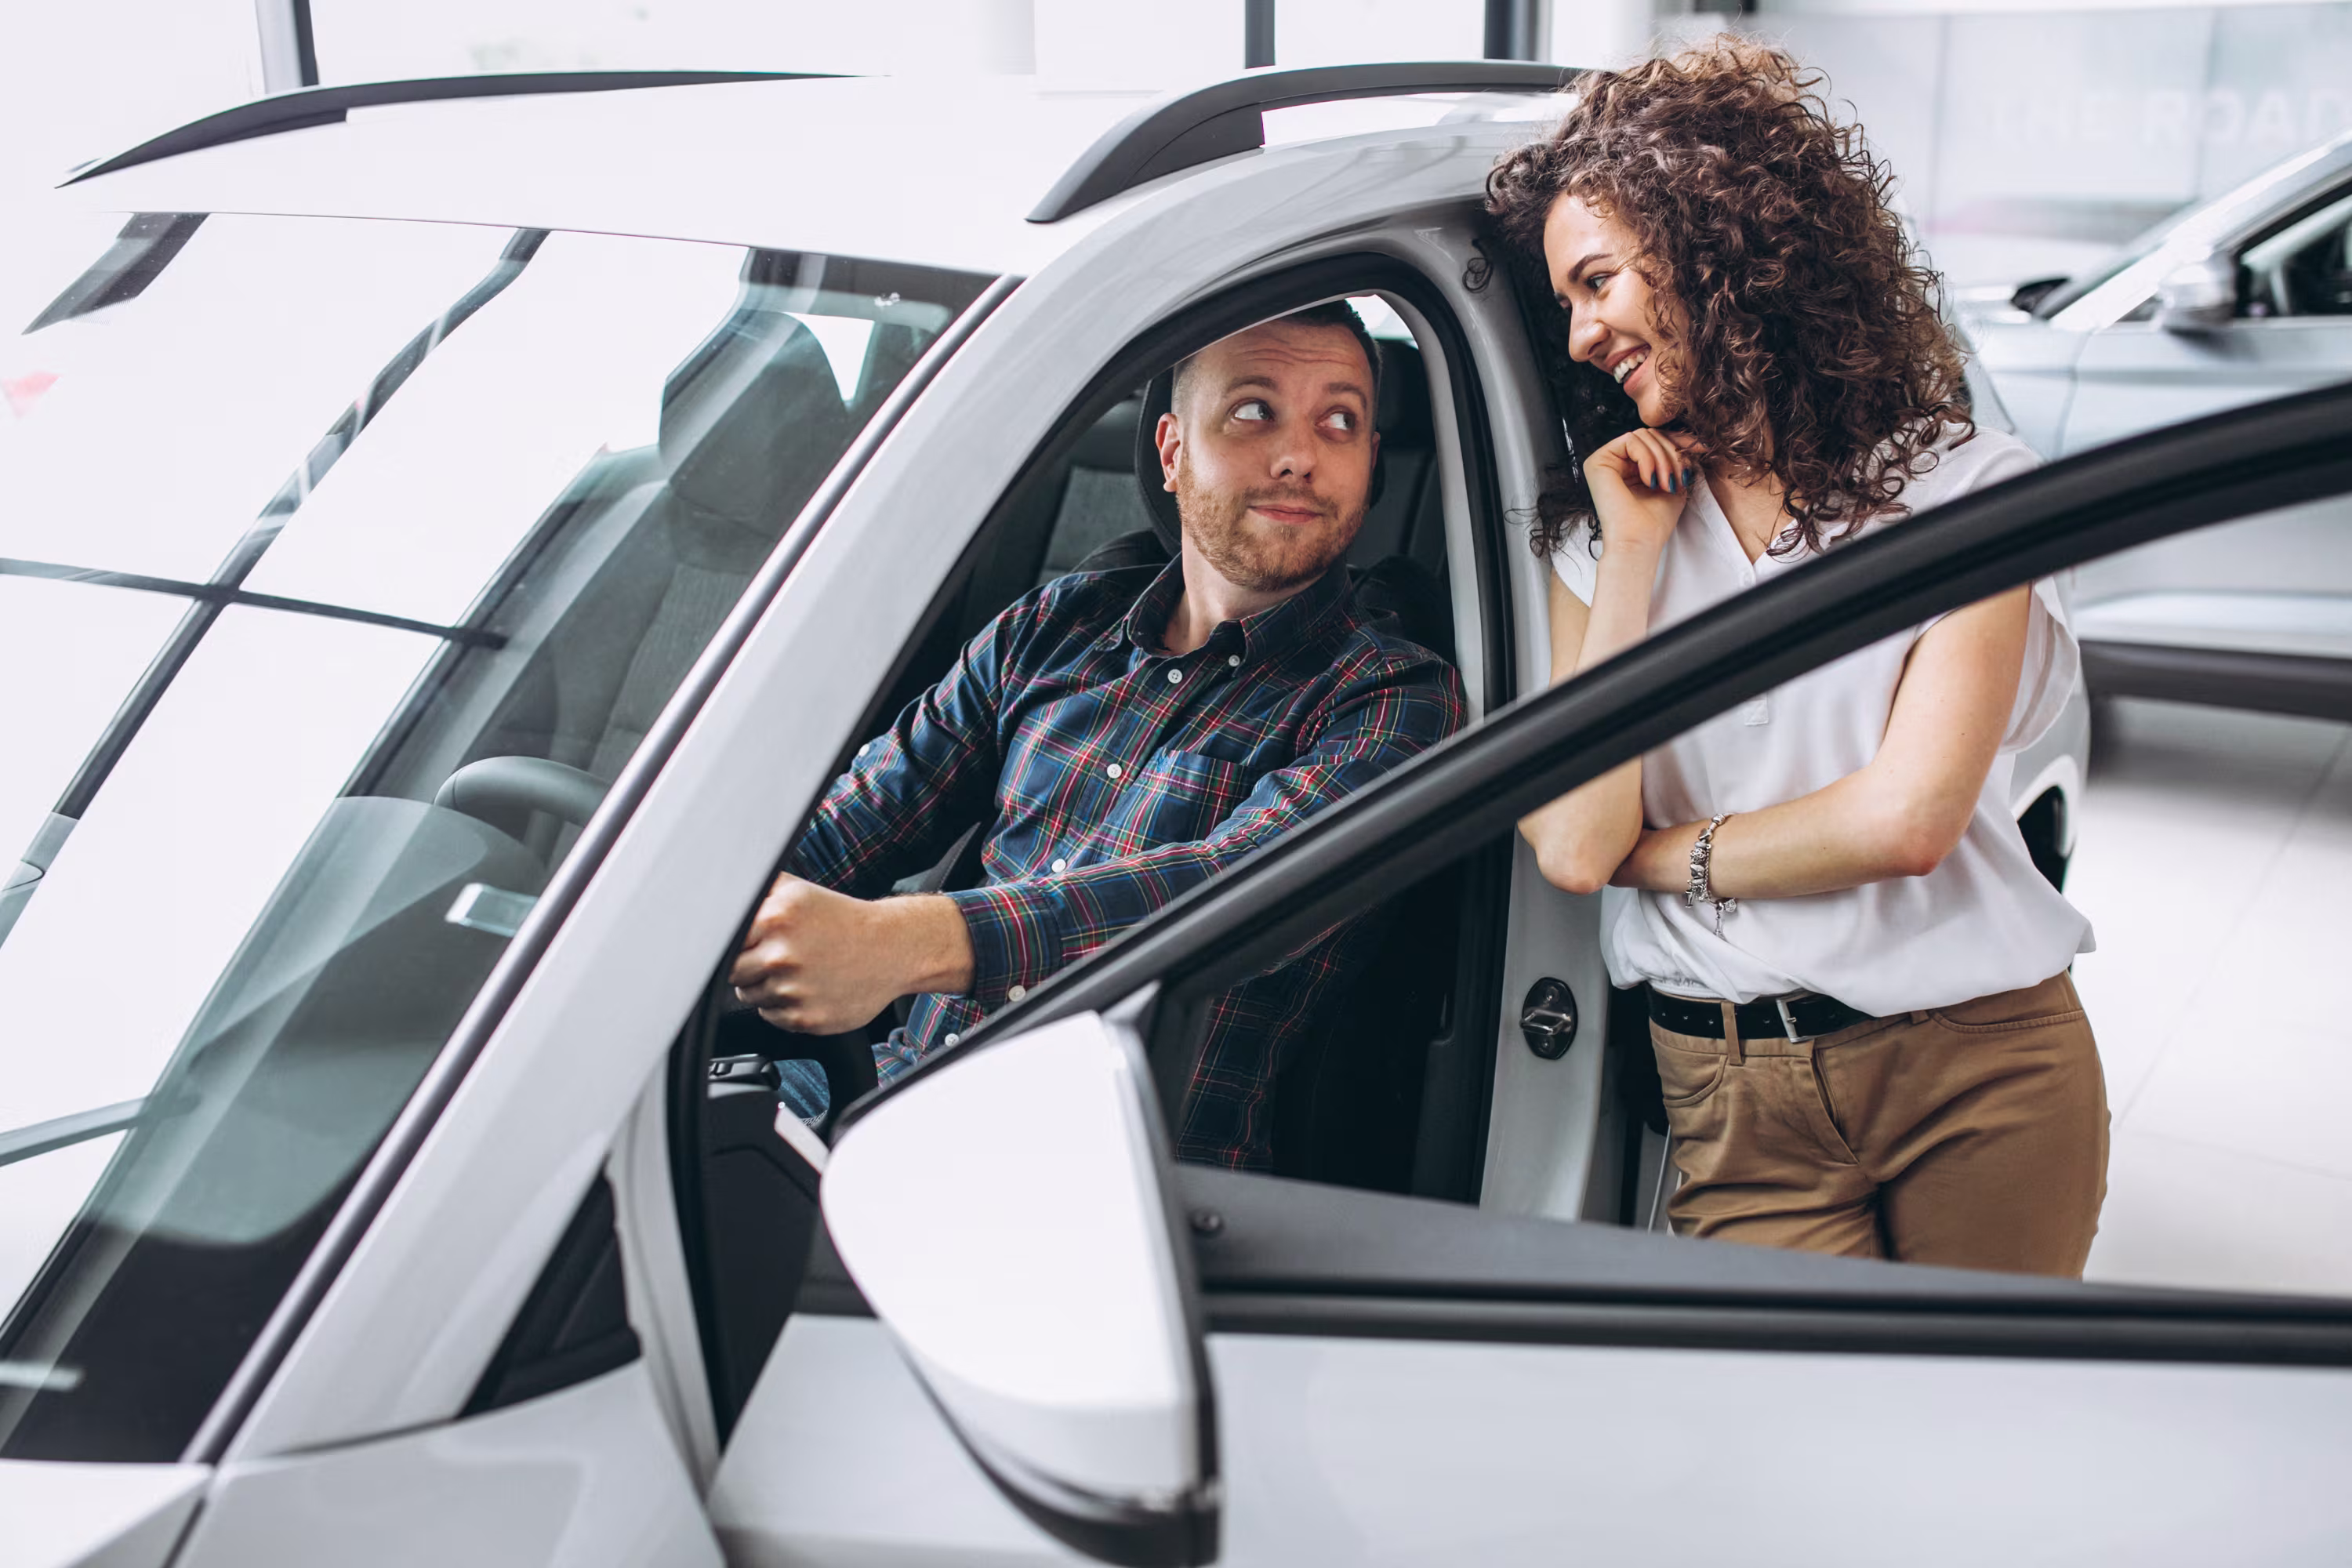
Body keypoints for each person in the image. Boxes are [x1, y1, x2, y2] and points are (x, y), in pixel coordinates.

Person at [1488, 40, 2105, 1274]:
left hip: (1977, 1064)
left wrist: (1660, 859)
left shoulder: (1968, 493)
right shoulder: (1600, 538)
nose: (1582, 335)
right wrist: (1632, 560)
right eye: (1564, 304)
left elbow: (1905, 823)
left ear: (1713, 246)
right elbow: (1574, 847)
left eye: (1597, 282)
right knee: (1786, 1407)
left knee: (1986, 1400)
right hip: (1732, 1088)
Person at [729, 302, 1465, 1169]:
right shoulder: (1056, 625)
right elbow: (850, 826)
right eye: (1253, 410)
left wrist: (902, 944)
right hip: (879, 1110)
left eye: (1338, 422)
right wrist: (707, 912)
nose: (1299, 456)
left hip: (1100, 1189)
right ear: (1172, 452)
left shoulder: (1393, 695)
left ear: (1370, 461)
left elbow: (1226, 896)